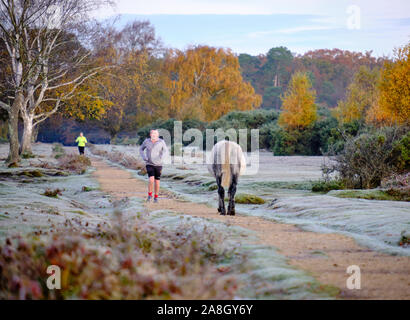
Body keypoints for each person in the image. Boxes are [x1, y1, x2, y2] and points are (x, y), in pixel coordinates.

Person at [139, 129, 168, 203]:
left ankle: (156, 197)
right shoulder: (146, 141)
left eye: (155, 134)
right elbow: (141, 149)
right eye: (153, 133)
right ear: (150, 135)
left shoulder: (161, 142)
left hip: (158, 164)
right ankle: (149, 196)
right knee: (151, 180)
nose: (154, 135)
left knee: (157, 181)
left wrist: (162, 158)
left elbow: (166, 151)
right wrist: (144, 157)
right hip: (149, 163)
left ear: (158, 135)